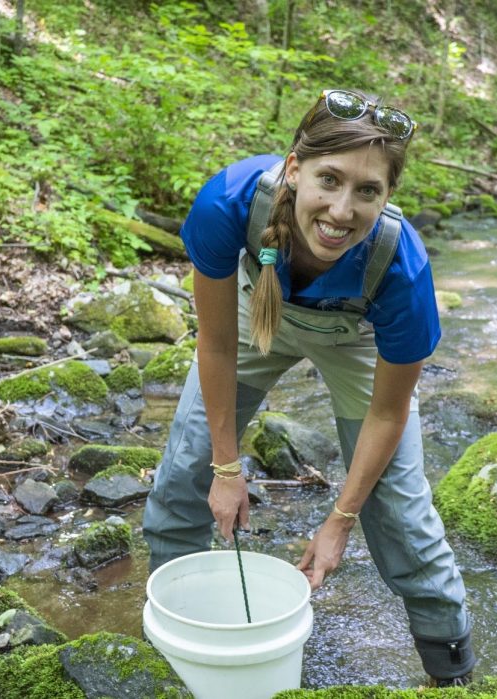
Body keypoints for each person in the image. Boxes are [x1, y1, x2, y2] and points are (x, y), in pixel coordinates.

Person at [141, 89, 475, 686]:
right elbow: (214, 346)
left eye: (367, 191)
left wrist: (339, 520)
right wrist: (224, 467)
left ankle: (454, 678)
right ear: (294, 168)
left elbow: (387, 415)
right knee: (183, 477)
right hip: (253, 308)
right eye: (329, 179)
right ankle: (182, 659)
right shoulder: (227, 204)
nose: (342, 211)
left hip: (357, 336)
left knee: (401, 521)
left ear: (387, 196)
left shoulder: (402, 269)